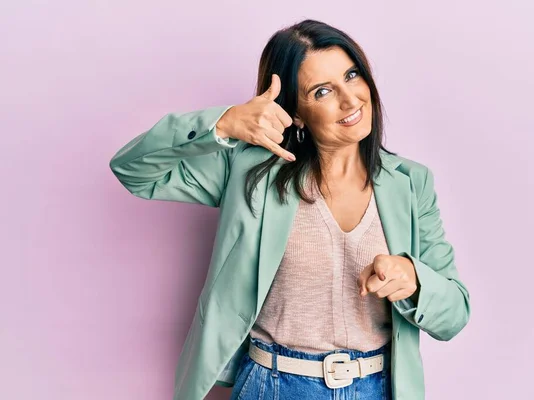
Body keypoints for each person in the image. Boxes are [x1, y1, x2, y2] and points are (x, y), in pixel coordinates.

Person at [109, 19, 470, 400]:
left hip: (378, 387)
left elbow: (455, 313)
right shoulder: (250, 171)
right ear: (296, 112)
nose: (350, 100)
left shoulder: (411, 184)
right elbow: (133, 170)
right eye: (323, 91)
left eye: (351, 75)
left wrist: (414, 280)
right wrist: (224, 123)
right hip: (274, 385)